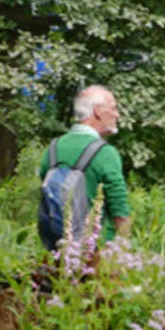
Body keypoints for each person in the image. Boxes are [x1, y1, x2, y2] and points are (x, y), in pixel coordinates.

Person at [39, 85, 131, 242]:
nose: (118, 114)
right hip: (93, 252)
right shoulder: (105, 152)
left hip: (57, 248)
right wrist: (124, 250)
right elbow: (119, 209)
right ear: (97, 111)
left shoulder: (53, 147)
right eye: (114, 108)